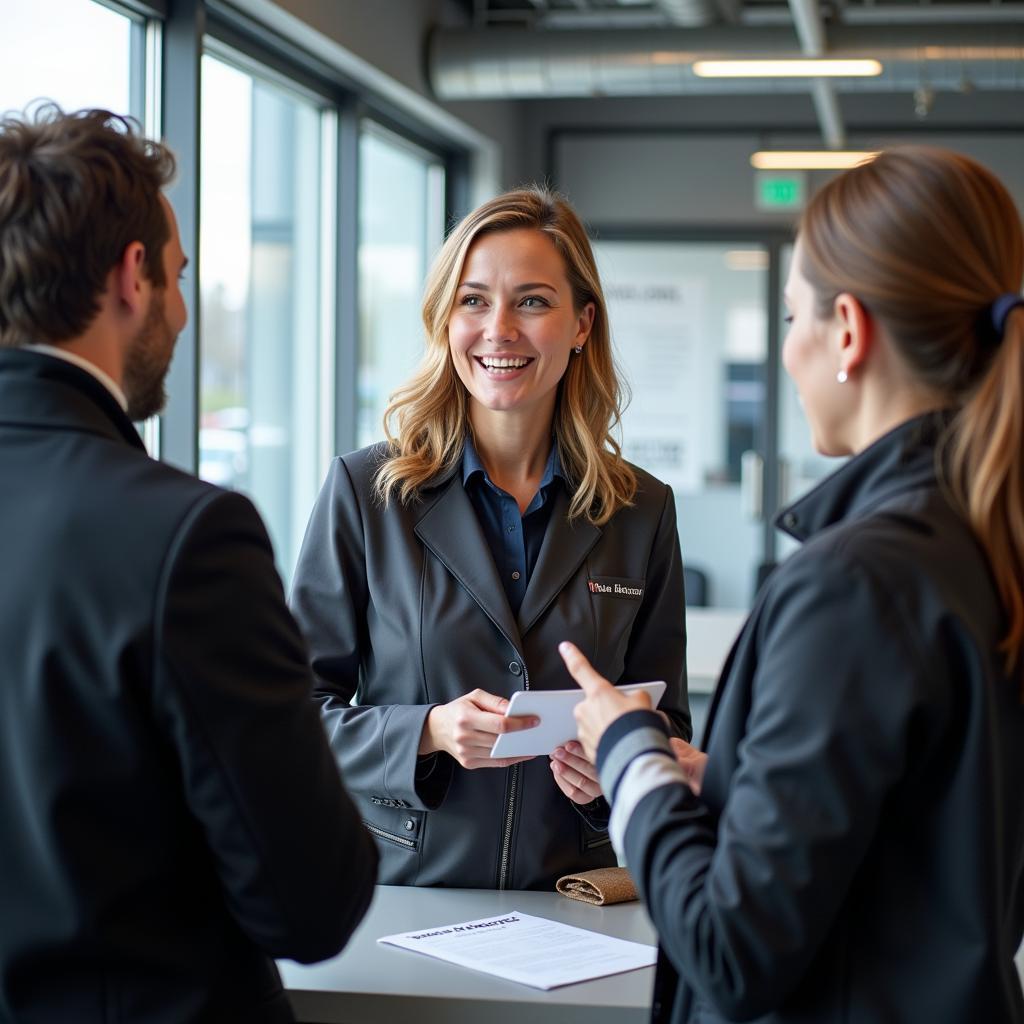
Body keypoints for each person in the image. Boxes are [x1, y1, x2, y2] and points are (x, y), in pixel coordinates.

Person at [560, 146, 1024, 1023]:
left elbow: (731, 953)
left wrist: (630, 759)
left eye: (789, 316)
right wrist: (732, 782)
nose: (785, 351)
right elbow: (924, 835)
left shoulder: (858, 582)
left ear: (846, 331)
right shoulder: (985, 544)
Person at [0, 105, 377, 1023]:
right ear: (132, 276)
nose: (180, 306)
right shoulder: (184, 537)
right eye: (178, 276)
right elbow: (310, 903)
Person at [290, 186, 691, 890]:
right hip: (399, 895)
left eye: (532, 301)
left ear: (581, 324)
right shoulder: (366, 491)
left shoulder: (641, 509)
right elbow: (289, 716)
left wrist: (615, 767)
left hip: (571, 898)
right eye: (473, 301)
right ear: (446, 321)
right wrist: (427, 730)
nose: (498, 329)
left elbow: (666, 721)